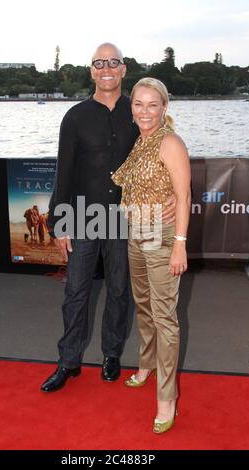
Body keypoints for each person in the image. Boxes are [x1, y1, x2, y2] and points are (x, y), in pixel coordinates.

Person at [41, 44, 176, 393]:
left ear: (123, 69)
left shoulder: (138, 111)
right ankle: (68, 361)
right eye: (99, 63)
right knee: (75, 293)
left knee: (119, 291)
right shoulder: (74, 116)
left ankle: (111, 355)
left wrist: (175, 194)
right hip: (83, 216)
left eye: (112, 62)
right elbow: (64, 172)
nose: (106, 69)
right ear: (91, 71)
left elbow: (165, 151)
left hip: (126, 218)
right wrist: (59, 221)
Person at [112, 77, 191, 434]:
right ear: (132, 108)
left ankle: (167, 396)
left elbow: (184, 196)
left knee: (164, 317)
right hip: (136, 233)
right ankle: (146, 364)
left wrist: (179, 243)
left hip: (160, 238)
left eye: (152, 104)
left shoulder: (170, 142)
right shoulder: (140, 141)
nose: (145, 111)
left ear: (164, 108)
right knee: (142, 304)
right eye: (138, 104)